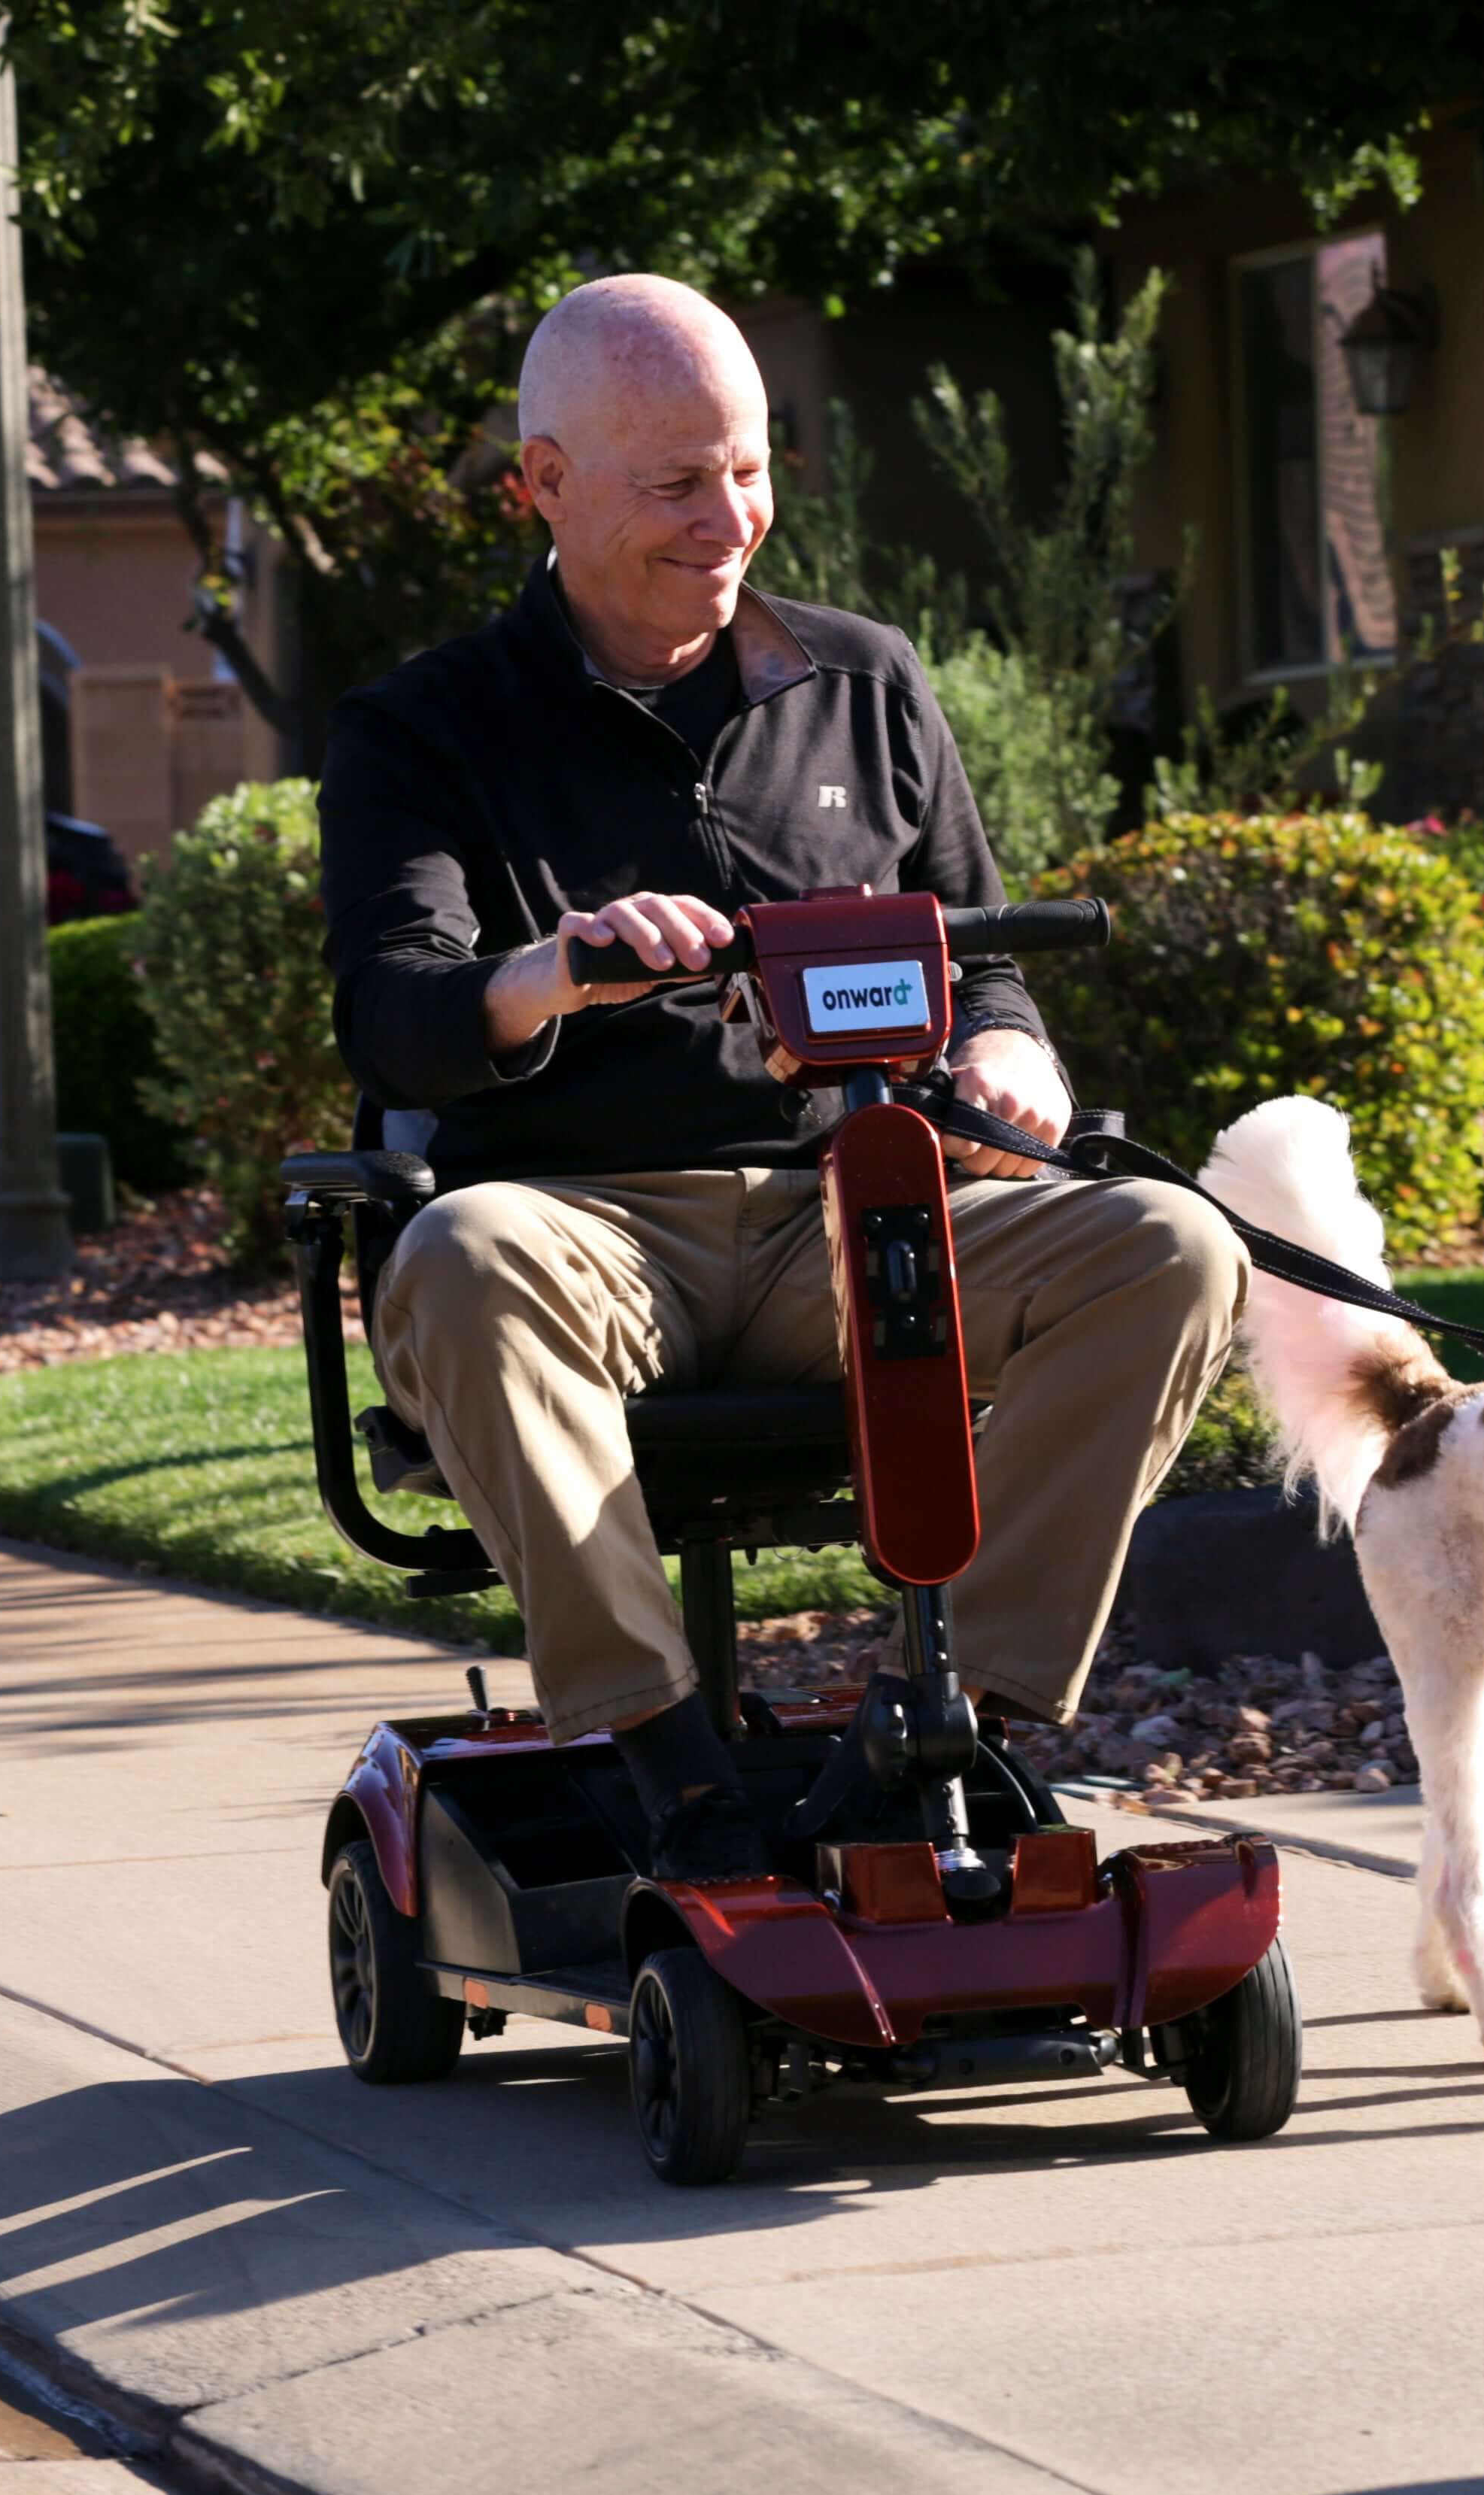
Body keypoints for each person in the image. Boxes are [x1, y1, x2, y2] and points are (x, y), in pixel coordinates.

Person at [321, 274, 1244, 1878]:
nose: (726, 516)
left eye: (746, 470)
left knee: (1173, 1245)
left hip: (861, 1208)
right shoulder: (424, 729)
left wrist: (1009, 1051)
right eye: (674, 481)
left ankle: (955, 1732)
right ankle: (667, 1763)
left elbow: (988, 957)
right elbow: (396, 1020)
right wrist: (554, 969)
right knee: (458, 1258)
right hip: (583, 1223)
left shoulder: (863, 680)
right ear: (543, 482)